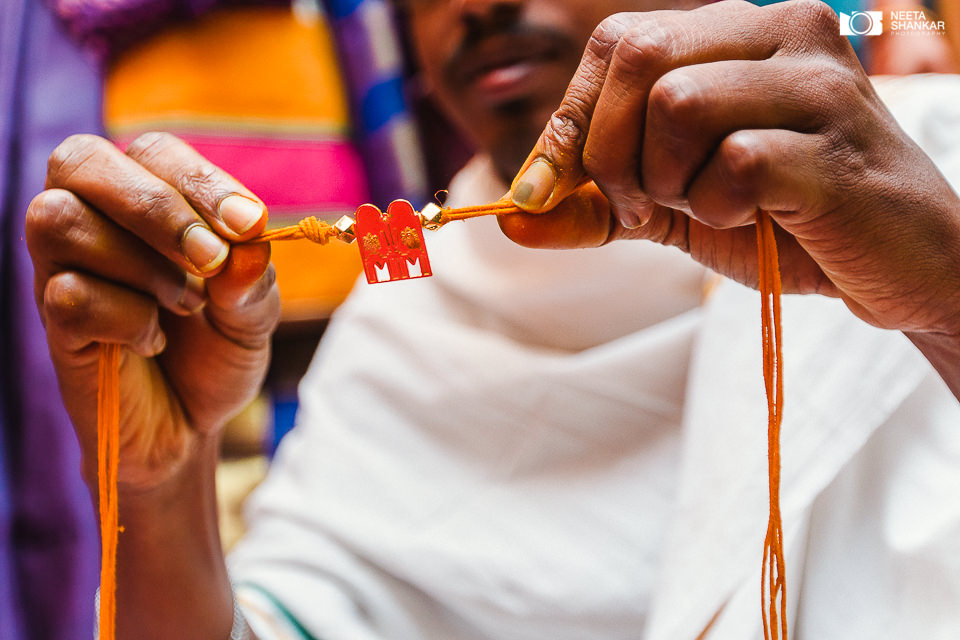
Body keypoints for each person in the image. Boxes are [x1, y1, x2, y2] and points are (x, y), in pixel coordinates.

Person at [23, 1, 960, 639]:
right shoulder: (406, 321)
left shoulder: (928, 162)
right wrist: (160, 485)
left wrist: (943, 296)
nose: (470, 5)